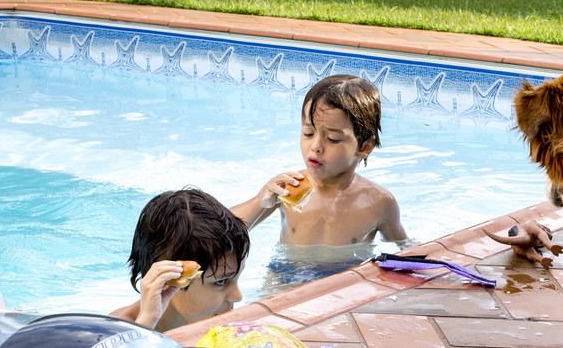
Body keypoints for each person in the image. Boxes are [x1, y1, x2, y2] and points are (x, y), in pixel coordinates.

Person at [232, 74, 408, 246]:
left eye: (332, 139)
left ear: (364, 147)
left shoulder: (379, 202)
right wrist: (260, 201)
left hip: (345, 274)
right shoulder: (288, 188)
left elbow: (406, 251)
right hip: (286, 273)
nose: (316, 146)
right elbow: (219, 228)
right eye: (308, 133)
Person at [111, 188, 250, 332]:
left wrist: (262, 201)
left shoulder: (217, 257)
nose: (238, 297)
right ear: (170, 278)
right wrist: (148, 320)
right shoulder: (115, 335)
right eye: (221, 281)